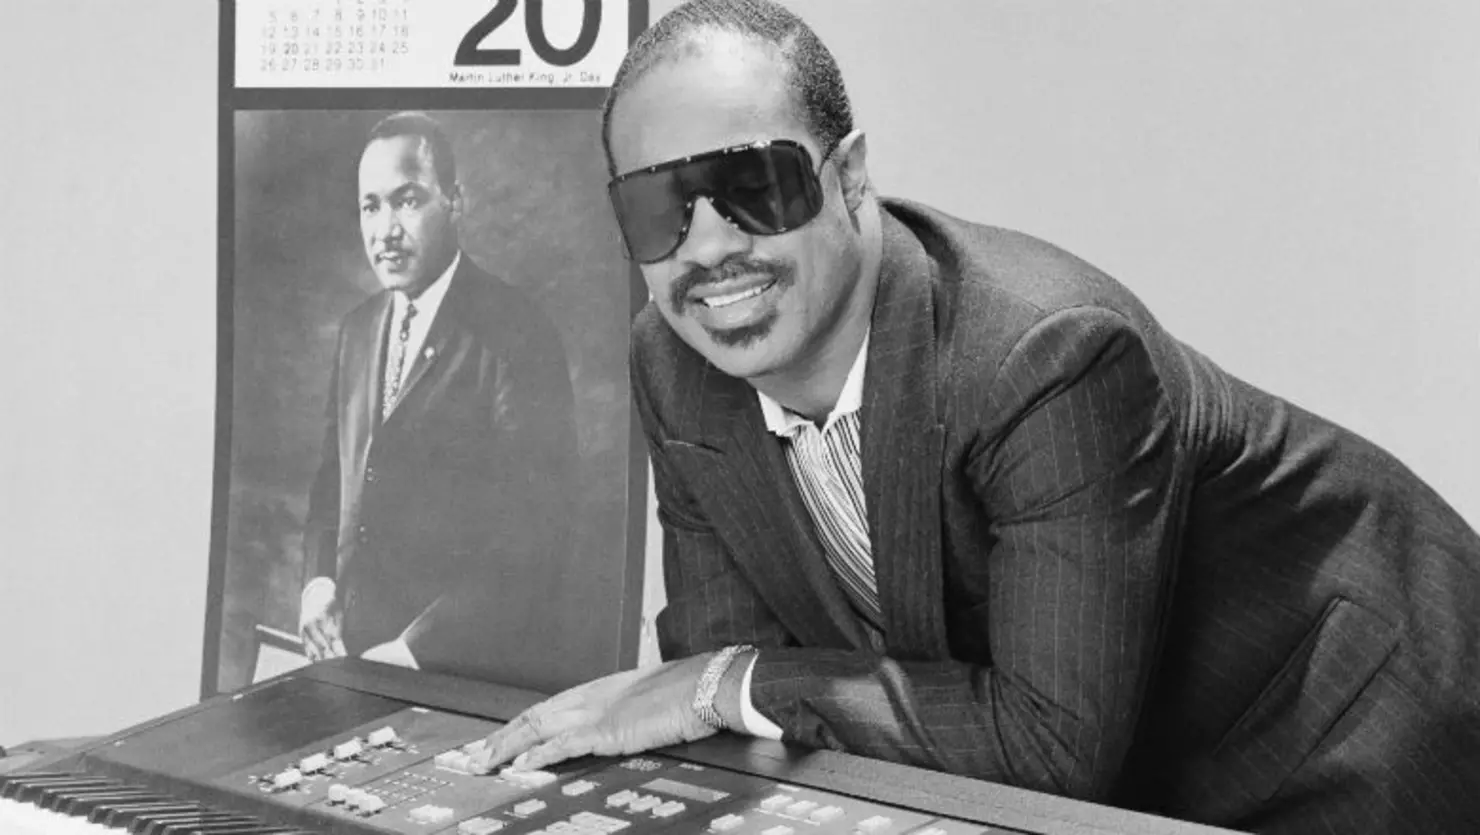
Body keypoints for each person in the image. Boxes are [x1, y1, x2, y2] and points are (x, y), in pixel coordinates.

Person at [469, 2, 1480, 832]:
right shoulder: (674, 361)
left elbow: (1046, 750)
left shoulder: (1047, 353)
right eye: (658, 209)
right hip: (1112, 778)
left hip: (1351, 717)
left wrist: (727, 682)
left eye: (750, 186)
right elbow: (728, 686)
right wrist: (716, 692)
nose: (706, 247)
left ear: (849, 177)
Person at [297, 111, 578, 680]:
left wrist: (416, 650)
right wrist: (318, 583)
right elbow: (333, 481)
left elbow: (537, 532)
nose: (385, 231)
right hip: (351, 660)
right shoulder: (356, 331)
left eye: (407, 200)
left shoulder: (517, 333)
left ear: (455, 201)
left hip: (459, 670)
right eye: (370, 206)